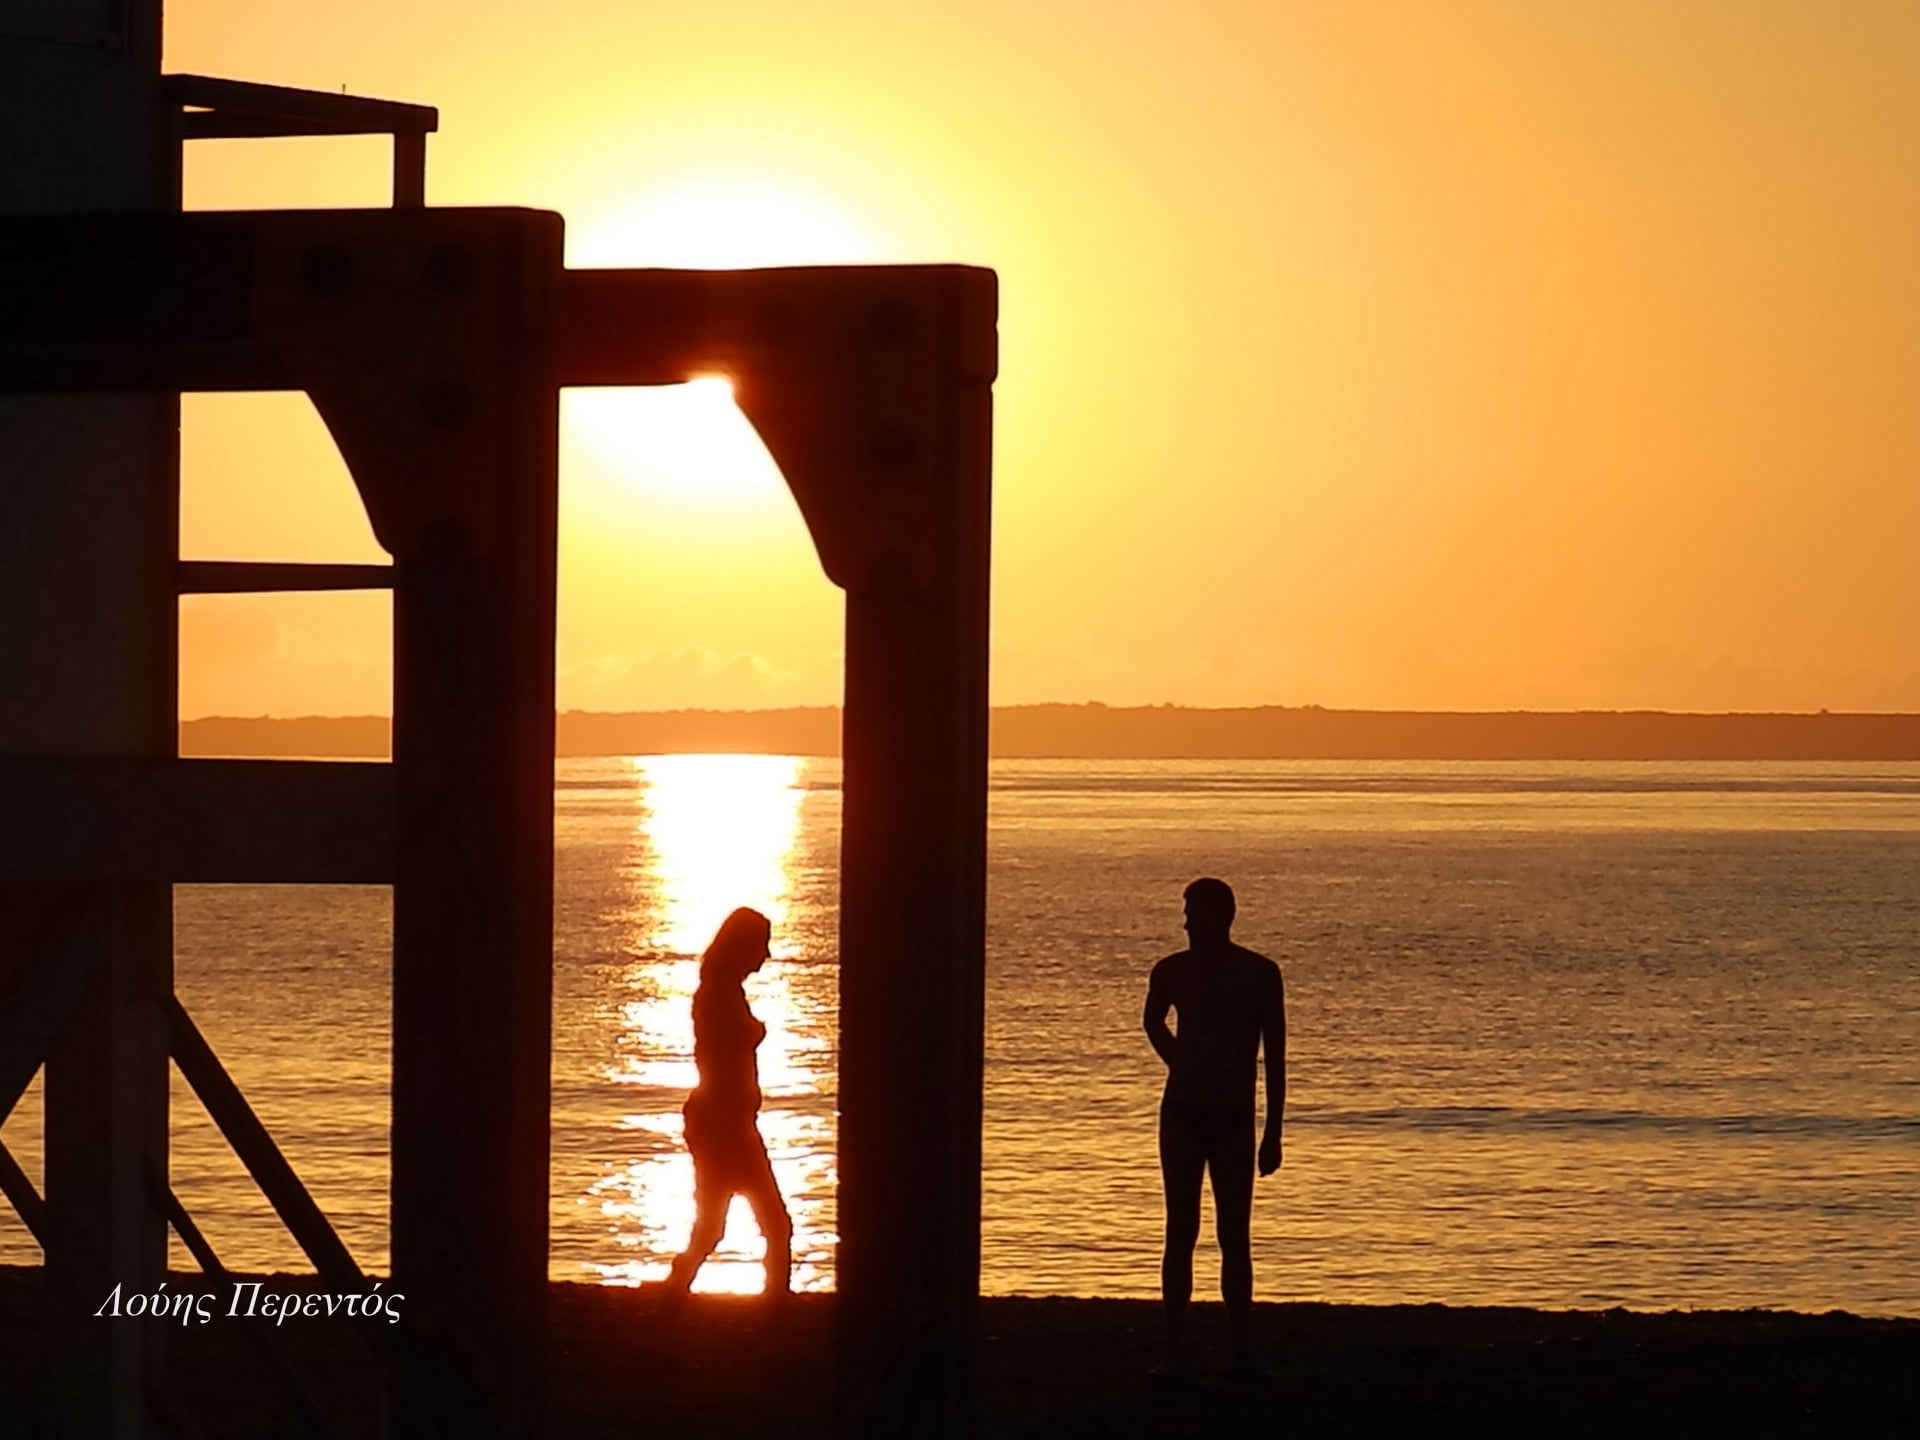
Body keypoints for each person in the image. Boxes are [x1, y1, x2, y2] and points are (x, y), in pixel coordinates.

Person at [1142, 877, 1285, 1376]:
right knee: (1180, 1230)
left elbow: (1276, 1054)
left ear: (1219, 916)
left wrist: (1273, 1131)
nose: (1184, 922)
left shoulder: (1260, 974)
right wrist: (1179, 1060)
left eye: (1192, 912)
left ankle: (1240, 1350)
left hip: (1233, 1116)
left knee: (1234, 1234)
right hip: (1182, 1111)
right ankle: (1174, 1351)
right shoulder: (1171, 971)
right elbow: (1152, 1020)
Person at [663, 906, 793, 1298]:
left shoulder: (721, 991)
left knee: (714, 1227)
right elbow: (719, 1052)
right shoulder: (717, 995)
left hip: (726, 1121)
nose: (766, 956)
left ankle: (673, 1293)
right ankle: (776, 1306)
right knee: (772, 1223)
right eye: (761, 945)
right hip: (724, 1124)